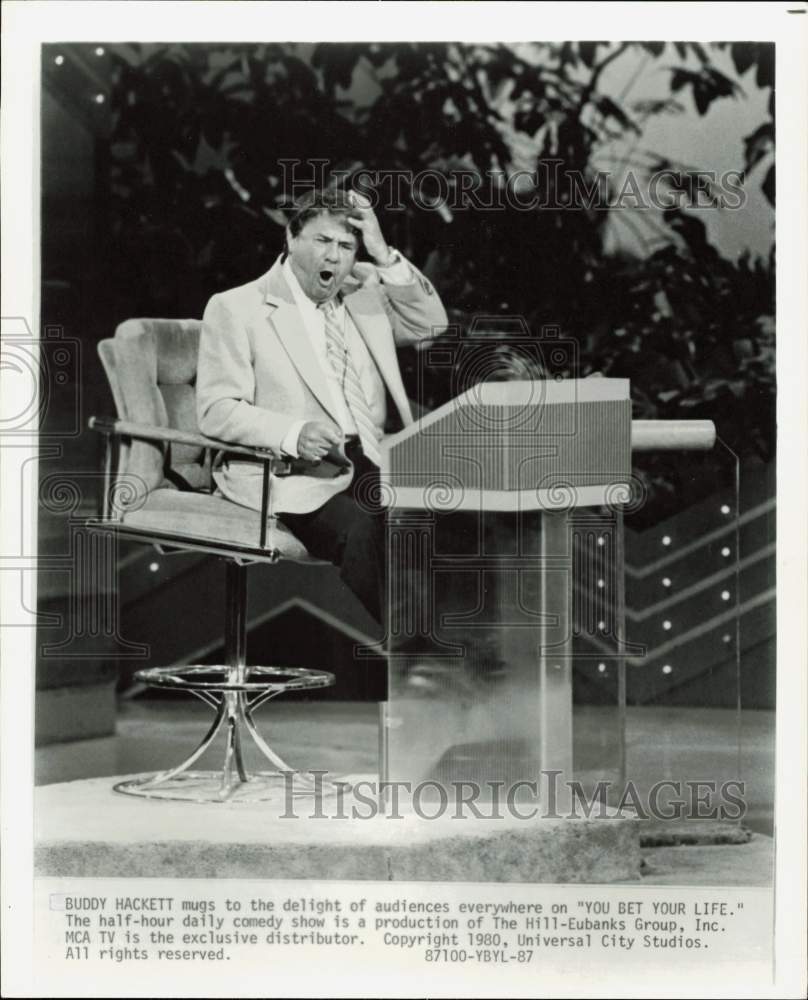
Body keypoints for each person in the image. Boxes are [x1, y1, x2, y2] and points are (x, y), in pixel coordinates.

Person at [196, 189, 448, 623]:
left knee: (452, 519)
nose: (333, 256)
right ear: (291, 238)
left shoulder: (362, 299)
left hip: (374, 459)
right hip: (296, 473)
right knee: (366, 528)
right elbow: (216, 408)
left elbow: (430, 325)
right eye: (322, 240)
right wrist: (292, 433)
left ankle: (461, 650)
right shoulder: (238, 307)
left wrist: (383, 252)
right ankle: (423, 658)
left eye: (346, 246)